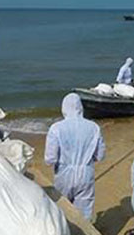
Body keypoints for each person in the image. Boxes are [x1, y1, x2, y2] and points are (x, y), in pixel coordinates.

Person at [45, 93, 106, 221]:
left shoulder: (56, 128)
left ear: (64, 108)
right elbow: (100, 156)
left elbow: (50, 159)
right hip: (85, 173)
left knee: (62, 210)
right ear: (81, 108)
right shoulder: (94, 127)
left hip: (64, 173)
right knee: (84, 214)